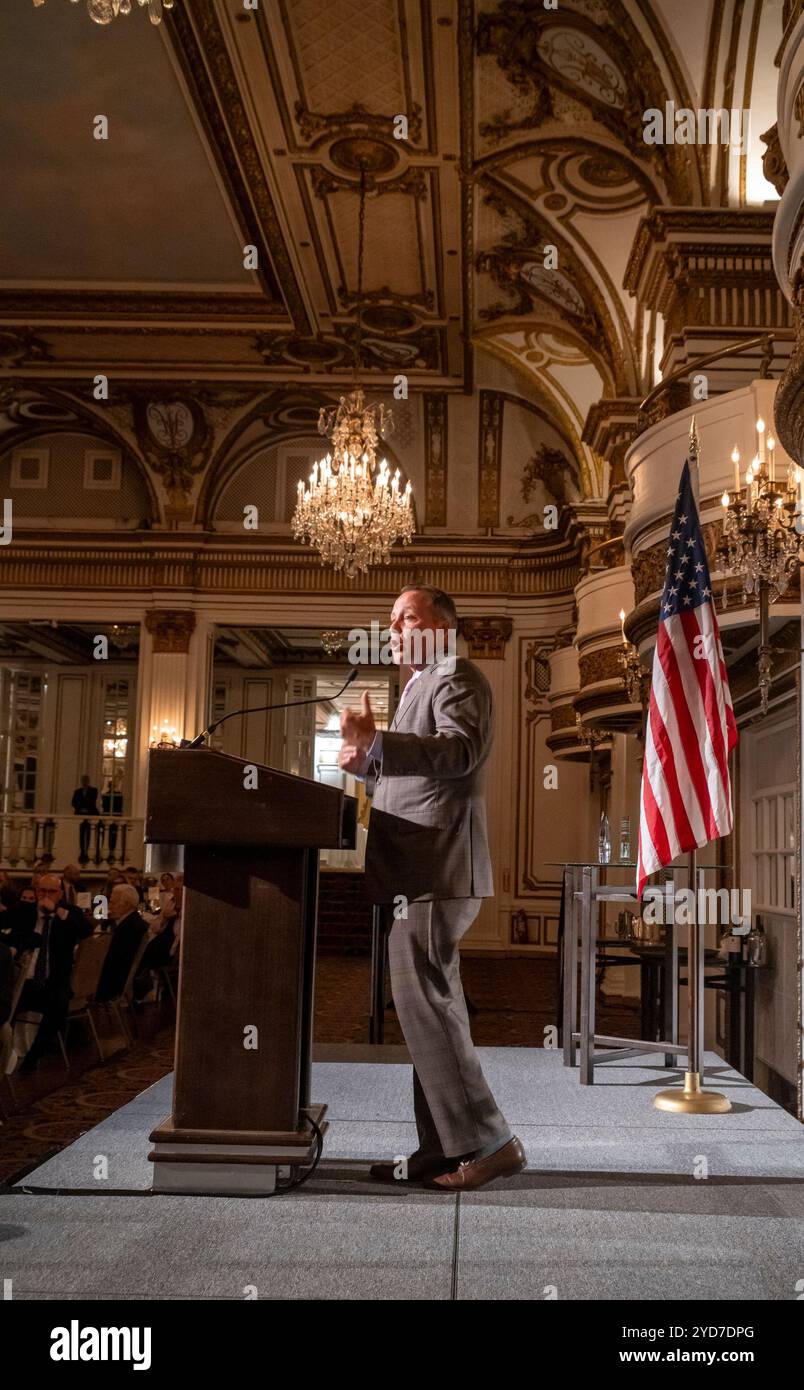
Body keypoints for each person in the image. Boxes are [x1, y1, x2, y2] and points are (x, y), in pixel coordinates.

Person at [338, 585, 524, 1191]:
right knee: (424, 1014)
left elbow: (459, 753)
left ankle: (489, 1141)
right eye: (389, 621)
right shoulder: (418, 684)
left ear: (441, 626)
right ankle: (443, 1147)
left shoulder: (456, 674)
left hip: (437, 869)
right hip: (414, 871)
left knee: (432, 1010)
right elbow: (411, 775)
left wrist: (380, 745)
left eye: (405, 618)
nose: (392, 630)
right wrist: (367, 762)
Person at [8, 872, 93, 1072]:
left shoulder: (69, 913)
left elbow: (86, 930)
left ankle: (33, 1057)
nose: (46, 895)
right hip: (24, 980)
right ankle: (6, 1055)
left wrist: (58, 912)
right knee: (5, 1003)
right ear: (36, 891)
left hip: (53, 981)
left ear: (60, 893)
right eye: (42, 891)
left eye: (52, 891)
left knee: (58, 1004)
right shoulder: (25, 911)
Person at [94, 884, 148, 1004]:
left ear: (127, 905)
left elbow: (110, 958)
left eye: (113, 903)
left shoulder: (129, 928)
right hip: (122, 979)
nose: (109, 906)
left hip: (112, 982)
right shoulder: (134, 922)